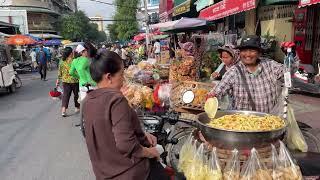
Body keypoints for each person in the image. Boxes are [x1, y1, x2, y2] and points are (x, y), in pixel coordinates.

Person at [83, 51, 170, 180]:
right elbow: (126, 145)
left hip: (103, 173)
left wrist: (139, 134)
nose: (123, 79)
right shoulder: (116, 99)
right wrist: (149, 153)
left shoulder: (88, 100)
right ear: (109, 77)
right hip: (130, 172)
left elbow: (104, 133)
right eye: (121, 74)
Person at [208, 35, 299, 114]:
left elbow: (288, 71)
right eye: (244, 50)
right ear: (239, 53)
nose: (247, 54)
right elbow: (219, 89)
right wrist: (212, 95)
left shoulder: (270, 65)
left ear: (259, 53)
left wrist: (291, 55)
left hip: (268, 122)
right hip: (242, 123)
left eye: (252, 50)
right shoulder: (234, 72)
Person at [56, 47, 80, 117]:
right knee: (76, 95)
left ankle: (63, 110)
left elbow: (59, 72)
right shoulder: (74, 60)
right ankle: (77, 108)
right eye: (72, 52)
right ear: (70, 53)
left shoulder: (61, 61)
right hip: (75, 81)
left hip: (65, 81)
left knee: (66, 96)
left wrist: (58, 80)